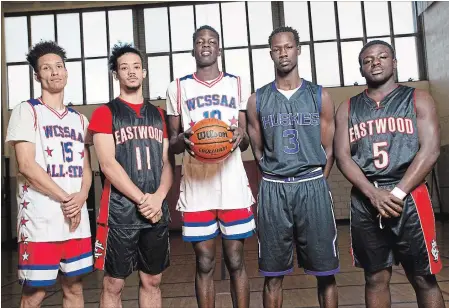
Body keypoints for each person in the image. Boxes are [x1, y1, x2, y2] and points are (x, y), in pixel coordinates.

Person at [334, 40, 445, 308]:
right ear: (361, 69)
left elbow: (430, 150)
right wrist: (373, 194)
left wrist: (395, 194)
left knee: (423, 278)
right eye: (368, 59)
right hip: (366, 197)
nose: (375, 62)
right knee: (374, 277)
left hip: (409, 197)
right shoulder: (347, 108)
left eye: (383, 56)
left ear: (394, 63)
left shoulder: (418, 98)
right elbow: (342, 156)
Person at [246, 26, 339, 308]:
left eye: (288, 47)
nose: (283, 53)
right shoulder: (257, 99)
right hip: (274, 190)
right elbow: (257, 148)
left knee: (326, 273)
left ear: (298, 49)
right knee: (272, 276)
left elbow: (330, 147)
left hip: (312, 186)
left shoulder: (318, 95)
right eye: (277, 49)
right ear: (270, 54)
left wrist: (317, 181)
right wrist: (273, 175)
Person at [166, 25, 255, 308]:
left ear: (219, 49)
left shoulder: (238, 83)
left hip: (232, 184)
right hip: (196, 186)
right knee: (204, 262)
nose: (206, 45)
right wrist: (183, 139)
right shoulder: (177, 87)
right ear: (193, 49)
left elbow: (245, 140)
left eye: (211, 41)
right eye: (200, 41)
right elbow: (172, 142)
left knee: (236, 260)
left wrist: (243, 136)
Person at [6, 41, 93, 308]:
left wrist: (81, 197)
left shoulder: (80, 119)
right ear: (37, 75)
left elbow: (87, 169)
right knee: (35, 294)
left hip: (75, 218)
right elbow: (26, 166)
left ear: (66, 72)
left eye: (59, 66)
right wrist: (68, 200)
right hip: (41, 220)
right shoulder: (26, 110)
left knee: (75, 289)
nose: (54, 72)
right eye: (46, 68)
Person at [89, 43, 174, 308]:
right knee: (113, 283)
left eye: (136, 67)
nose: (131, 72)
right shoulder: (105, 113)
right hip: (120, 212)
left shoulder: (159, 115)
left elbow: (167, 163)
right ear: (116, 74)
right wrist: (143, 201)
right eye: (124, 68)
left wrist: (158, 197)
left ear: (145, 72)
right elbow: (108, 165)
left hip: (155, 211)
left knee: (153, 281)